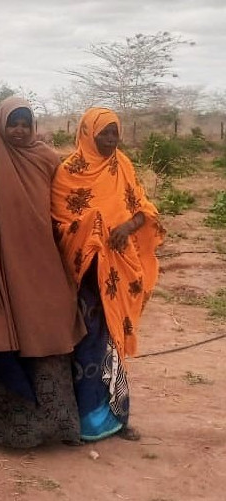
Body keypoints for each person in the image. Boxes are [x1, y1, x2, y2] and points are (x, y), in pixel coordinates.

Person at [0, 97, 86, 449]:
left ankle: (59, 425)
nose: (20, 130)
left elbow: (65, 212)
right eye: (14, 123)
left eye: (26, 123)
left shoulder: (47, 160)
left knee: (48, 334)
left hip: (41, 271)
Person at [51, 107, 163, 442]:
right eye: (105, 134)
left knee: (111, 343)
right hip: (83, 276)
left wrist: (127, 226)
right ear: (87, 133)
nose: (112, 140)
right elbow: (59, 220)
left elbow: (145, 210)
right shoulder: (68, 172)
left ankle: (116, 418)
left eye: (115, 133)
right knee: (85, 344)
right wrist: (92, 227)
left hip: (118, 272)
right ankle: (82, 420)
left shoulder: (122, 166)